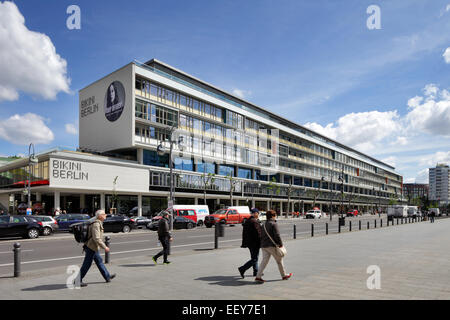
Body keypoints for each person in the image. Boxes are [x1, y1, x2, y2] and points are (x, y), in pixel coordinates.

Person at [78, 210, 116, 287]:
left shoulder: (98, 223)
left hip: (93, 247)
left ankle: (107, 276)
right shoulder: (96, 224)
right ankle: (77, 280)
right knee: (87, 264)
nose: (105, 215)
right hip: (91, 247)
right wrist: (105, 247)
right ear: (100, 216)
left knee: (99, 262)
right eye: (104, 214)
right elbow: (96, 238)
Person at [255, 210, 292, 283]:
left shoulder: (264, 224)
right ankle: (284, 275)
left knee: (264, 261)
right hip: (271, 246)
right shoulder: (273, 224)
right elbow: (277, 235)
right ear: (272, 216)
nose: (276, 217)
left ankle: (258, 276)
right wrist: (280, 244)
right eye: (275, 215)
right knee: (279, 260)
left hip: (263, 245)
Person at [238, 208, 262, 278]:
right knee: (255, 259)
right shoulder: (254, 221)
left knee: (254, 257)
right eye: (258, 213)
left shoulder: (248, 220)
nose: (258, 214)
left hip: (249, 243)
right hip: (255, 243)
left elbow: (245, 233)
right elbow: (258, 233)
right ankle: (242, 269)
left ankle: (256, 271)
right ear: (255, 213)